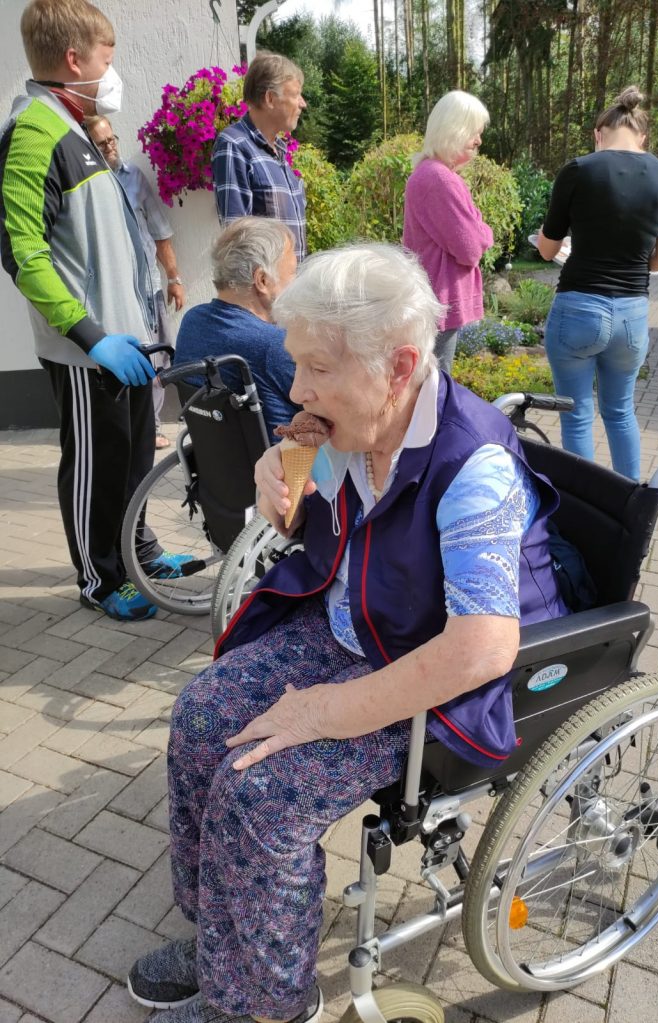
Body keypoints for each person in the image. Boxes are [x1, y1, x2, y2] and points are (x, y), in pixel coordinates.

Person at [127, 242, 570, 1023]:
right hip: (349, 628)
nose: (297, 388)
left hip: (430, 678)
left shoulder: (475, 468)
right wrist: (273, 460)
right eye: (296, 365)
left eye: (318, 369)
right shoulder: (352, 426)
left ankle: (266, 1004)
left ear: (399, 366)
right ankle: (223, 944)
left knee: (260, 793)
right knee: (201, 715)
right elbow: (300, 484)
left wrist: (323, 711)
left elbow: (481, 648)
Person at [0, 0, 183, 622]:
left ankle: (137, 554)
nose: (113, 70)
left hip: (126, 339)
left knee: (131, 455)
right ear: (73, 60)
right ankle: (98, 578)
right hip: (88, 348)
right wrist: (89, 335)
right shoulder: (35, 133)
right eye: (108, 58)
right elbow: (22, 253)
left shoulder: (78, 131)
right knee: (95, 462)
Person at [537, 85, 658, 481]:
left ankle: (586, 516)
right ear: (643, 136)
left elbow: (548, 250)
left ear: (599, 134)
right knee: (621, 413)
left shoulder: (579, 170)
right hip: (632, 314)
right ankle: (630, 510)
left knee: (578, 414)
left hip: (579, 308)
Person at [84, 113, 186, 449]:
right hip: (114, 295)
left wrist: (175, 278)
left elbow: (160, 232)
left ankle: (151, 424)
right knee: (133, 359)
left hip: (148, 290)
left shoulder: (133, 177)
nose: (111, 146)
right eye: (102, 143)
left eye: (112, 139)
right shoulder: (90, 187)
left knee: (159, 357)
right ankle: (144, 428)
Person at [174, 217, 301, 438]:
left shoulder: (192, 322)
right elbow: (330, 407)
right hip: (284, 467)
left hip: (218, 467)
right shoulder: (272, 344)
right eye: (292, 272)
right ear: (262, 279)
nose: (297, 281)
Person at [403, 90, 494, 373]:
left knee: (431, 386)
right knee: (435, 389)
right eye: (473, 132)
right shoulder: (439, 178)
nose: (479, 140)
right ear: (453, 129)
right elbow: (470, 248)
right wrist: (484, 232)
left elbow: (472, 232)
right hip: (438, 300)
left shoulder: (435, 174)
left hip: (432, 298)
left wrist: (478, 229)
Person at [212, 50, 307, 262]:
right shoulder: (234, 146)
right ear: (270, 99)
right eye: (295, 95)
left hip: (291, 291)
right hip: (266, 293)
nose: (302, 104)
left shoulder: (279, 152)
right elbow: (237, 244)